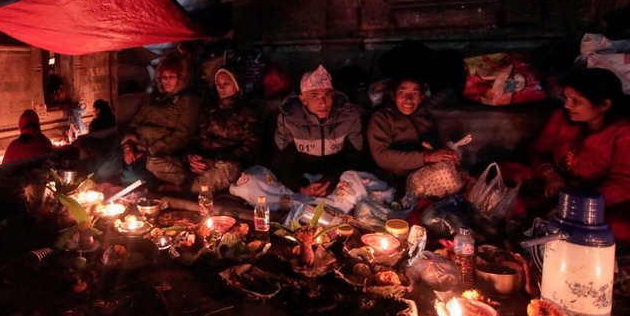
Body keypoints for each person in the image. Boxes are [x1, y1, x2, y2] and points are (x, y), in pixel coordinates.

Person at [528, 67, 630, 241]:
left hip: (608, 203)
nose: (567, 105)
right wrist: (551, 175)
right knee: (510, 182)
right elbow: (537, 152)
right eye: (566, 98)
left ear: (604, 105)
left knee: (617, 228)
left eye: (577, 101)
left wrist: (576, 207)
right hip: (561, 191)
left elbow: (625, 185)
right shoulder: (562, 118)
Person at [149, 67, 259, 193]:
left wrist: (214, 161)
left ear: (237, 85)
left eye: (226, 84)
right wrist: (191, 157)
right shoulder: (209, 110)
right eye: (218, 84)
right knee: (153, 161)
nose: (221, 88)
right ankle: (196, 184)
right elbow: (194, 138)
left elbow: (250, 148)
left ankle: (185, 187)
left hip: (224, 163)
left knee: (230, 169)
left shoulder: (248, 112)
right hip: (203, 162)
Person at [271, 65, 365, 195]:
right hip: (301, 179)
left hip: (337, 179)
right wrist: (301, 186)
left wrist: (332, 180)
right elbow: (281, 163)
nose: (323, 103)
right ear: (303, 99)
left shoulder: (349, 116)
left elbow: (355, 159)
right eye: (315, 96)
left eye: (327, 95)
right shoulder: (289, 120)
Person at [116, 54, 202, 185]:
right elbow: (135, 122)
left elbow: (182, 134)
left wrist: (149, 151)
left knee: (131, 175)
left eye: (171, 77)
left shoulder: (188, 101)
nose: (166, 81)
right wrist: (128, 146)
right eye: (163, 77)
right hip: (136, 145)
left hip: (157, 152)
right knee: (105, 167)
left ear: (181, 78)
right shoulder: (154, 99)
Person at [366, 76, 459, 188]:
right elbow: (382, 157)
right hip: (397, 181)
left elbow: (436, 144)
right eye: (402, 93)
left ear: (421, 98)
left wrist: (447, 154)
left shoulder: (425, 116)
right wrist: (426, 157)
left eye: (415, 94)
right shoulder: (381, 118)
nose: (408, 99)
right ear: (393, 95)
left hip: (428, 174)